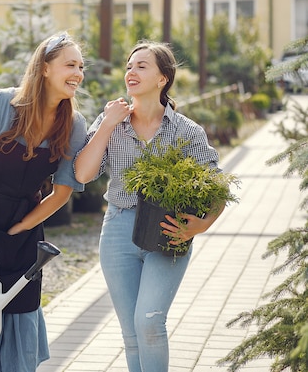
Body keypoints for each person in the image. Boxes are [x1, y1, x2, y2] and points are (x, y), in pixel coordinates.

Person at [73, 40, 225, 372]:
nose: (131, 71)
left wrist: (201, 225)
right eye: (129, 66)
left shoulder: (186, 131)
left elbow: (218, 185)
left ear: (162, 79)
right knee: (131, 334)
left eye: (142, 66)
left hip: (168, 232)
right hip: (117, 231)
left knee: (149, 323)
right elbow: (83, 173)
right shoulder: (111, 121)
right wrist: (109, 123)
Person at [0, 31, 87, 372]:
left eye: (81, 67)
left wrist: (24, 225)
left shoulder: (74, 125)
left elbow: (63, 192)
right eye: (70, 65)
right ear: (44, 68)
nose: (78, 74)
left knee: (22, 308)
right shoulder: (1, 104)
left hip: (23, 227)